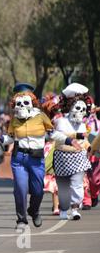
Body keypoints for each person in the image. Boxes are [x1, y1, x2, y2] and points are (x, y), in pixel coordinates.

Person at [0, 83, 79, 229]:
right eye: (19, 102)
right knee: (20, 188)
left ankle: (34, 210)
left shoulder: (41, 117)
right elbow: (10, 138)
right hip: (19, 159)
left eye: (26, 101)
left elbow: (53, 134)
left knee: (38, 190)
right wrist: (0, 137)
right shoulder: (14, 120)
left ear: (32, 102)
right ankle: (21, 220)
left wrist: (70, 140)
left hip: (36, 160)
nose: (22, 105)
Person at [52, 83, 92, 220]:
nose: (80, 111)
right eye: (77, 107)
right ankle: (64, 209)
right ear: (70, 107)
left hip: (78, 157)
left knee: (77, 184)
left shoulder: (83, 125)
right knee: (62, 186)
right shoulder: (60, 122)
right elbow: (59, 137)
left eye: (82, 108)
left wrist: (89, 147)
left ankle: (75, 208)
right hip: (62, 157)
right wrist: (76, 136)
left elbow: (84, 141)